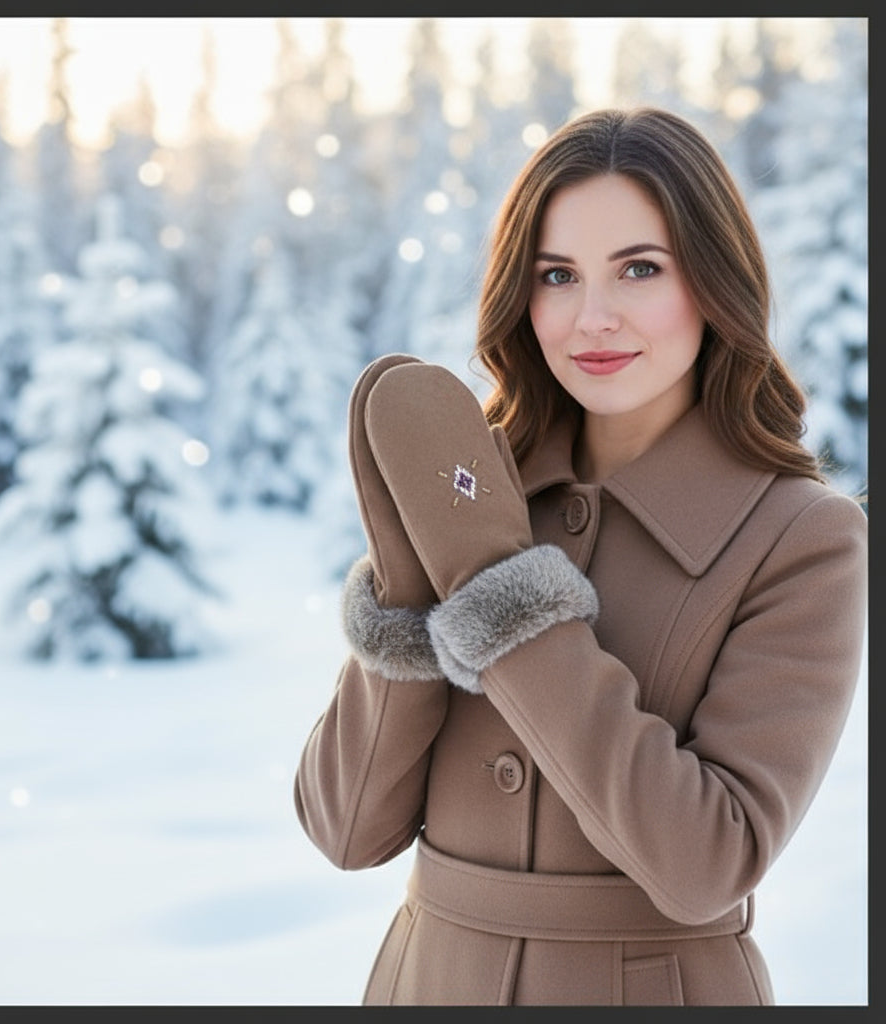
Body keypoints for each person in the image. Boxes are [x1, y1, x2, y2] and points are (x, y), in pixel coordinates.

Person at [293, 106, 868, 1006]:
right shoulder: (477, 490)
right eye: (556, 275)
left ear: (715, 283)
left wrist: (509, 610)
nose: (592, 317)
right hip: (427, 979)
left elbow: (707, 861)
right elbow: (344, 826)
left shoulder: (803, 539)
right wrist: (412, 582)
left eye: (639, 269)